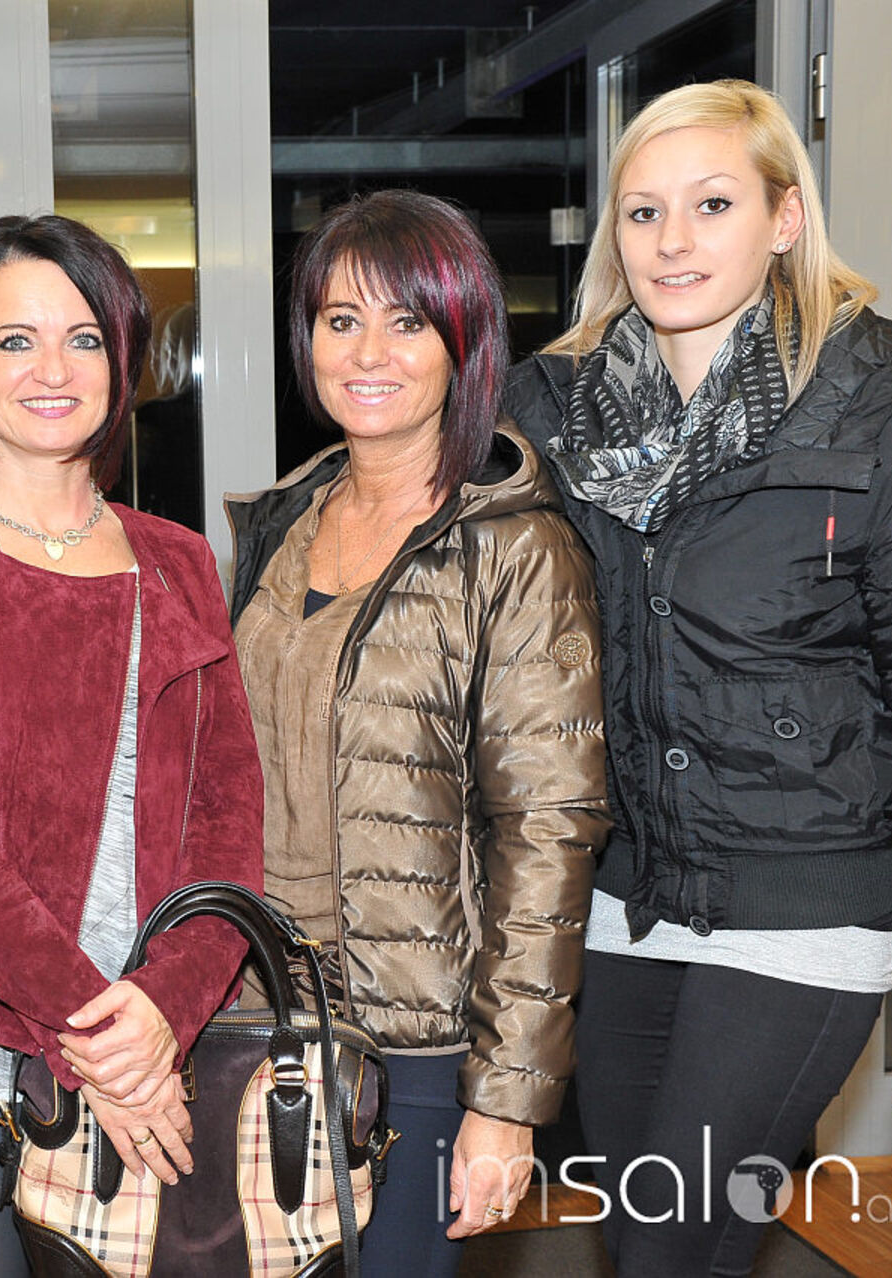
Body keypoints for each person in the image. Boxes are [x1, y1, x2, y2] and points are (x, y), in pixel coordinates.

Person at [503, 79, 892, 1276]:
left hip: (801, 915)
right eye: (643, 211)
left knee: (676, 1250)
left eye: (712, 204)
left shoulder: (883, 412)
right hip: (621, 906)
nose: (672, 240)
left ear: (784, 218)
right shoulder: (552, 412)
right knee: (646, 1246)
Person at [0, 214, 264, 1276]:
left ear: (121, 362)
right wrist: (102, 1040)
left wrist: (162, 1012)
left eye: (83, 338)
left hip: (166, 1047)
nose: (53, 369)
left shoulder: (179, 560)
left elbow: (229, 828)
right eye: (15, 339)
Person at [227, 189, 608, 1277]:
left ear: (463, 341)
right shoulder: (281, 524)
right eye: (340, 320)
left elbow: (550, 832)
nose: (368, 353)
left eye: (408, 322)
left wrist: (507, 1104)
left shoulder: (516, 550)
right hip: (256, 1012)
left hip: (422, 1047)